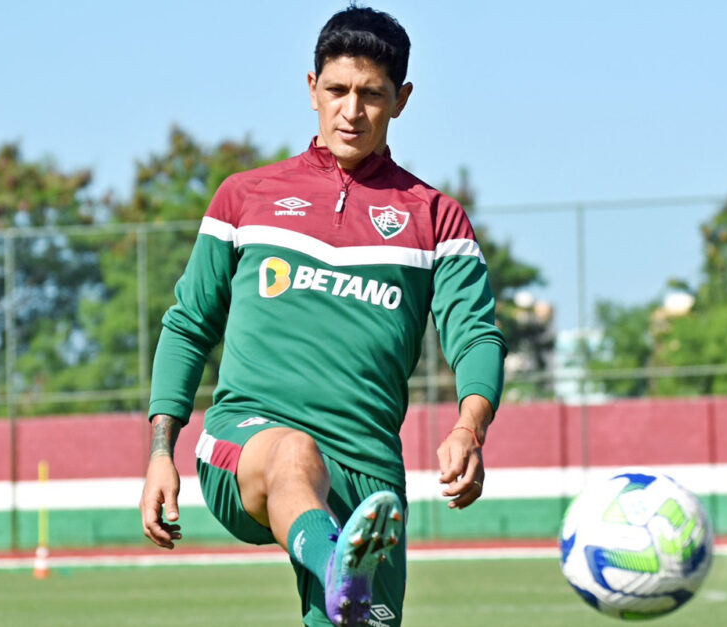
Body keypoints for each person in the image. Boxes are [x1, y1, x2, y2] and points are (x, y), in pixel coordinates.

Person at [139, 5, 506, 627]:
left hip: (369, 481)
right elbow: (188, 324)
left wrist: (470, 428)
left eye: (372, 94)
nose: (351, 110)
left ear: (402, 100)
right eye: (336, 90)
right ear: (312, 90)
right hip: (248, 440)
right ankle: (334, 560)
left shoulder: (434, 218)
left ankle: (342, 566)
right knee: (292, 454)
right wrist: (159, 450)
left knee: (356, 621)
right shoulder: (244, 197)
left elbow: (474, 334)